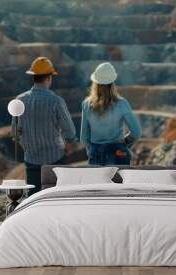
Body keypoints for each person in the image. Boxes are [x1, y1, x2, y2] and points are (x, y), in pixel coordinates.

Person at [13, 57, 77, 196]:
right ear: (48, 78)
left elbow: (15, 132)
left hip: (31, 161)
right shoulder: (56, 101)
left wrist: (27, 145)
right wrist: (70, 143)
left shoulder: (20, 101)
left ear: (33, 77)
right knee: (57, 198)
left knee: (35, 200)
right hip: (55, 160)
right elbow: (70, 131)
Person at [80, 62, 141, 165]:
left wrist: (93, 149)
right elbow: (136, 132)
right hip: (118, 152)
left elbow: (84, 138)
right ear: (112, 82)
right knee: (120, 181)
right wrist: (124, 143)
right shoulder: (122, 104)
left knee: (98, 181)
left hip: (96, 153)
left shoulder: (86, 104)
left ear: (95, 82)